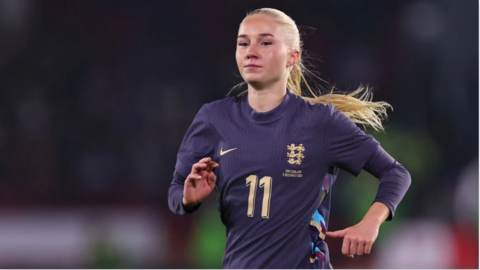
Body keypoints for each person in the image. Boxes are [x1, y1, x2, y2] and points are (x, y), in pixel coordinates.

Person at [168, 8, 411, 269]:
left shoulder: (320, 122)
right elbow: (176, 192)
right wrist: (188, 198)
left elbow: (395, 172)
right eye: (243, 43)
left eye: (265, 42)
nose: (251, 51)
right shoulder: (213, 118)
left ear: (293, 56)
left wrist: (371, 221)